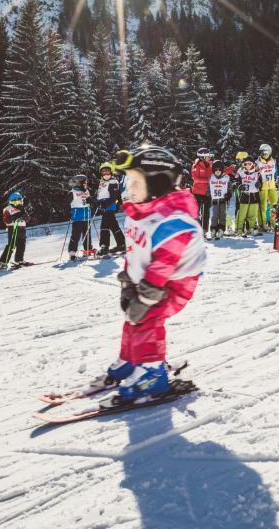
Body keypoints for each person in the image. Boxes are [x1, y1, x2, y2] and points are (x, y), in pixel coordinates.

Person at [102, 145, 206, 402]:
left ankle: (151, 374)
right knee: (131, 317)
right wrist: (128, 283)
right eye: (129, 181)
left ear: (157, 184)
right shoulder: (138, 214)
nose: (130, 188)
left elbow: (163, 265)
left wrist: (145, 298)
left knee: (147, 318)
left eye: (137, 182)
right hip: (148, 280)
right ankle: (130, 359)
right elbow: (135, 251)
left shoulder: (173, 223)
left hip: (172, 285)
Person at [94, 166, 127, 256]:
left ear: (111, 173)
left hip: (109, 206)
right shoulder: (103, 182)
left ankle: (104, 246)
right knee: (113, 225)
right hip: (105, 207)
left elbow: (113, 196)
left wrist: (104, 203)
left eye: (108, 172)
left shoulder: (113, 182)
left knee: (104, 226)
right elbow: (101, 194)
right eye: (104, 173)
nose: (106, 174)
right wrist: (97, 201)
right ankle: (121, 244)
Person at [65, 175, 93, 260]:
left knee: (87, 234)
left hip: (87, 217)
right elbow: (66, 203)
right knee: (75, 235)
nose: (86, 184)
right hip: (77, 217)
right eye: (84, 183)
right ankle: (72, 252)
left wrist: (91, 202)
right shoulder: (72, 192)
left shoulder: (87, 191)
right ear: (79, 183)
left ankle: (87, 250)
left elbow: (89, 202)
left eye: (86, 183)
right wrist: (68, 213)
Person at [0, 191, 31, 266]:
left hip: (22, 228)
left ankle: (19, 260)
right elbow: (6, 220)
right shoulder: (8, 208)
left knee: (22, 245)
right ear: (11, 201)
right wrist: (15, 216)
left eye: (19, 200)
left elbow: (27, 218)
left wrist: (24, 215)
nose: (17, 202)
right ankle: (3, 262)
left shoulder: (22, 208)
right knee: (11, 245)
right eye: (14, 201)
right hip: (13, 228)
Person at [234, 156, 262, 236]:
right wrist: (239, 186)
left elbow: (261, 182)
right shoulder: (241, 172)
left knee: (252, 214)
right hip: (244, 195)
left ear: (253, 164)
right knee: (242, 214)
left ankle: (251, 228)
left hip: (254, 196)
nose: (248, 166)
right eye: (246, 164)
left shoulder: (257, 172)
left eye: (249, 164)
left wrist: (259, 184)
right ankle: (239, 229)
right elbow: (236, 182)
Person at [190, 148, 214, 233]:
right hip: (197, 192)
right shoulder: (196, 165)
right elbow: (195, 179)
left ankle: (204, 231)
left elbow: (218, 173)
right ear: (202, 157)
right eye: (207, 156)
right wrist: (208, 180)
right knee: (196, 213)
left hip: (207, 192)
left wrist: (230, 169)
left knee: (206, 213)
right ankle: (196, 230)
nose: (209, 157)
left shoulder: (210, 165)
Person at [207, 162, 233, 239]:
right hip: (214, 200)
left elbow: (230, 188)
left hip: (223, 200)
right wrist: (208, 195)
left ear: (222, 170)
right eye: (215, 170)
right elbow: (208, 188)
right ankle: (213, 229)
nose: (217, 171)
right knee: (214, 216)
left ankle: (221, 229)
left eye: (219, 170)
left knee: (222, 215)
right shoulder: (211, 178)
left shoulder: (226, 177)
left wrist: (229, 194)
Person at [256, 144, 278, 228]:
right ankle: (263, 223)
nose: (265, 154)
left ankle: (273, 222)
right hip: (263, 186)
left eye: (267, 152)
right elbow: (254, 174)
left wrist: (278, 180)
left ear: (270, 152)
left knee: (274, 205)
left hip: (272, 186)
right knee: (263, 206)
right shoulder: (258, 162)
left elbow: (276, 173)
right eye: (263, 152)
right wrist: (257, 182)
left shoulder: (273, 161)